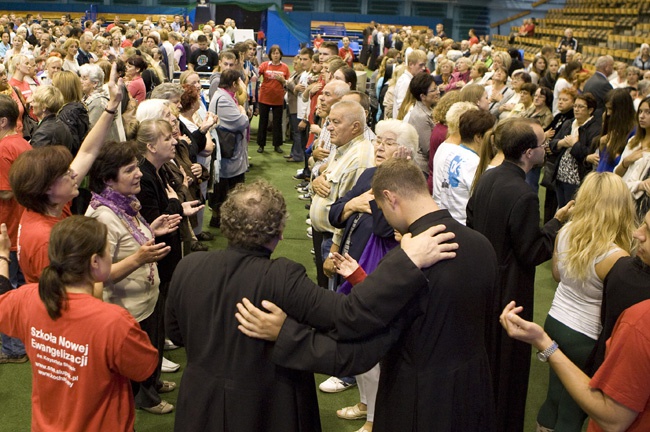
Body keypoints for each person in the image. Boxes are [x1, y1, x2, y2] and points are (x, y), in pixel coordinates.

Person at [235, 158, 499, 432]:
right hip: (475, 389)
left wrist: (286, 336)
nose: (383, 218)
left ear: (390, 198)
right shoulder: (481, 245)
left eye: (381, 209)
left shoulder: (408, 265)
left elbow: (358, 335)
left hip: (419, 403)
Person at [0, 215, 159, 431]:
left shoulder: (29, 298)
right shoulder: (114, 322)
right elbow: (145, 369)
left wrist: (3, 256)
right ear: (95, 261)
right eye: (107, 252)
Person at [466, 118, 574, 432]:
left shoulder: (488, 177)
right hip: (510, 290)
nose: (545, 148)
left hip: (484, 283)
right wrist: (556, 223)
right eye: (541, 145)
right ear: (528, 153)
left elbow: (473, 223)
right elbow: (533, 252)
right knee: (508, 368)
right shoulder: (523, 194)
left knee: (488, 360)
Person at [535, 172, 634, 432]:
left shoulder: (565, 231)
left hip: (554, 321)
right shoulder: (617, 255)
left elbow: (557, 275)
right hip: (586, 337)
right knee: (573, 407)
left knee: (554, 395)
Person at [10, 64, 122, 284]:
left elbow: (88, 151)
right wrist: (138, 259)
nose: (74, 175)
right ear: (47, 186)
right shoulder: (46, 240)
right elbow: (62, 299)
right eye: (65, 173)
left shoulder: (50, 204)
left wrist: (112, 105)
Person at [0, 94, 32, 364]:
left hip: (7, 230)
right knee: (21, 288)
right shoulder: (22, 143)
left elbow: (6, 193)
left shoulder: (2, 149)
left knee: (7, 291)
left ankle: (12, 348)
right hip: (23, 227)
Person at [433, 109, 496, 225]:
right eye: (491, 135)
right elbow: (483, 203)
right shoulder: (473, 163)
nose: (493, 140)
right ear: (478, 137)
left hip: (449, 220)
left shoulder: (452, 153)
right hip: (464, 224)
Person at [207, 69, 249, 226]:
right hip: (227, 151)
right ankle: (221, 218)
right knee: (225, 186)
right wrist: (243, 112)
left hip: (230, 151)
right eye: (239, 82)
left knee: (227, 185)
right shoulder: (223, 99)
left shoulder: (225, 96)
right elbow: (241, 122)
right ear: (234, 84)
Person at [549, 92, 602, 207]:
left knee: (572, 211)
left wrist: (574, 144)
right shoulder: (569, 123)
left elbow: (589, 154)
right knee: (561, 208)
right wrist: (562, 143)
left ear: (590, 110)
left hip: (577, 178)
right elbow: (552, 144)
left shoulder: (595, 128)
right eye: (575, 106)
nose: (576, 109)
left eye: (581, 107)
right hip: (560, 175)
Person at [616, 96, 650, 219]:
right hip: (623, 198)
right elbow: (617, 173)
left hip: (642, 207)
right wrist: (626, 161)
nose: (641, 116)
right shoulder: (633, 141)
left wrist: (639, 185)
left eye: (648, 112)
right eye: (640, 111)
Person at [256, 44, 290, 154]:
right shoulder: (264, 65)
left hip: (278, 99)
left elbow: (288, 83)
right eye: (273, 53)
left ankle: (277, 145)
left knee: (277, 123)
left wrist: (282, 80)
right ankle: (261, 145)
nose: (276, 55)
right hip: (264, 98)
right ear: (270, 55)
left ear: (280, 55)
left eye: (277, 53)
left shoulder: (285, 67)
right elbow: (256, 75)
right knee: (263, 122)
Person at [406, 72, 439, 175]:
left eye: (436, 88)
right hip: (423, 169)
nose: (438, 92)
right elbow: (428, 150)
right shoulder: (420, 116)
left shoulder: (430, 108)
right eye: (433, 90)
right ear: (423, 96)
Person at [29, 85, 74, 149]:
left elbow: (35, 157)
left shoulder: (42, 133)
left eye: (34, 101)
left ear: (43, 107)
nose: (31, 104)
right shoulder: (63, 125)